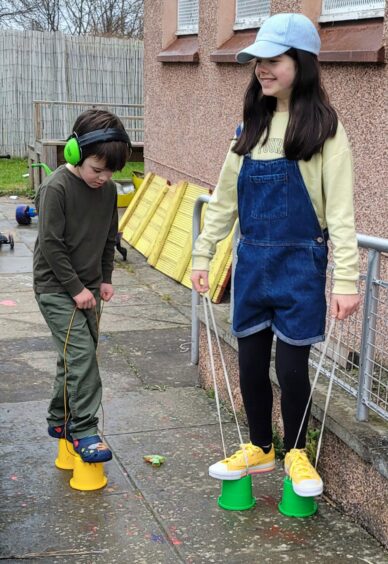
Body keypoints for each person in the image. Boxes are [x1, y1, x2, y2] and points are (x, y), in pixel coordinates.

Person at [191, 13, 360, 497]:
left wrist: (346, 281)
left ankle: (297, 453)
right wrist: (203, 255)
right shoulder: (250, 126)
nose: (262, 68)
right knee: (248, 365)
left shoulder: (325, 129)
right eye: (257, 61)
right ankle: (261, 447)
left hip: (301, 268)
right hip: (252, 267)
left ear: (301, 64)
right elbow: (223, 201)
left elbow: (342, 215)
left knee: (290, 368)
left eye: (273, 59)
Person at [33, 109, 131, 463]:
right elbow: (50, 245)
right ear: (74, 152)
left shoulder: (107, 192)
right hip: (56, 288)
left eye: (110, 172)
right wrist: (76, 288)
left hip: (89, 288)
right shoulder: (56, 188)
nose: (103, 177)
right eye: (97, 168)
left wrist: (105, 278)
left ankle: (59, 420)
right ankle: (84, 430)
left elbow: (109, 238)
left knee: (72, 357)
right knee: (82, 357)